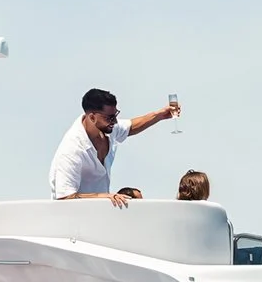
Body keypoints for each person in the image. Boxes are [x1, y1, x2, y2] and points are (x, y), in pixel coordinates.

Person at [49, 87, 180, 205]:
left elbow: (131, 126)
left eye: (115, 115)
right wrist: (103, 196)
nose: (115, 121)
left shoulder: (107, 128)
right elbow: (65, 197)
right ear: (92, 117)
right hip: (73, 219)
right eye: (110, 117)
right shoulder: (71, 150)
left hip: (100, 214)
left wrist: (160, 115)